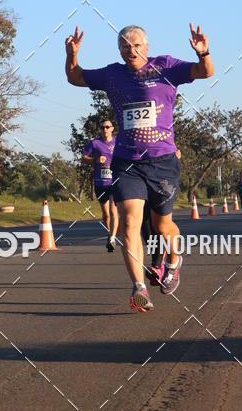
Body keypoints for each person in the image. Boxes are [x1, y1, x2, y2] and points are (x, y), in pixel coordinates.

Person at [65, 23, 213, 312]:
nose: (130, 50)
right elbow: (75, 77)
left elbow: (205, 72)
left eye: (135, 45)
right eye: (124, 46)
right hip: (127, 161)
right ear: (119, 51)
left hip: (162, 161)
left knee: (162, 226)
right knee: (130, 221)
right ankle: (139, 288)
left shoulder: (166, 67)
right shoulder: (113, 74)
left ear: (146, 47)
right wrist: (72, 55)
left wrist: (203, 52)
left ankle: (174, 260)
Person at [141, 148, 182, 284]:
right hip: (138, 176)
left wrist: (172, 156)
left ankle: (169, 263)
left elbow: (175, 149)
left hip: (160, 176)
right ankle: (158, 265)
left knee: (161, 227)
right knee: (145, 224)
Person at [82, 120, 118, 251]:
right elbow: (84, 157)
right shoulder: (95, 143)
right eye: (102, 127)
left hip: (114, 182)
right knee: (106, 214)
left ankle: (112, 238)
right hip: (100, 183)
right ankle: (110, 233)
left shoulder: (118, 143)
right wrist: (95, 160)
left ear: (112, 128)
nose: (105, 129)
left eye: (107, 127)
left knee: (113, 211)